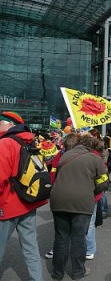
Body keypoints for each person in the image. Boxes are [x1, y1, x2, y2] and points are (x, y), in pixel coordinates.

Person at [50, 135, 109, 280]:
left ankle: (58, 272)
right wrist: (92, 191)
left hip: (59, 201)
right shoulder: (94, 158)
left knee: (61, 238)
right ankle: (78, 271)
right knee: (78, 238)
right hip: (82, 202)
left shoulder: (64, 156)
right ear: (91, 147)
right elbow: (104, 181)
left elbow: (56, 176)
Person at [0, 111, 47, 281]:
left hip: (7, 204)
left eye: (1, 121)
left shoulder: (5, 143)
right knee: (31, 247)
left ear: (10, 124)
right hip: (28, 201)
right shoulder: (29, 141)